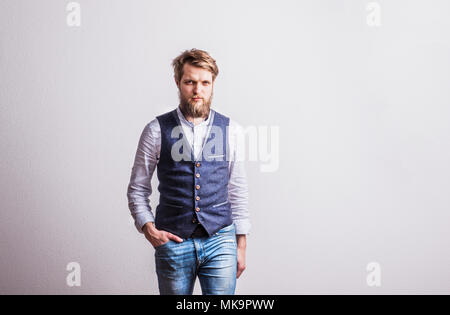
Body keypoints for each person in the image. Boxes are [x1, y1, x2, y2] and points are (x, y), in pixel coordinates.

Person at [127, 48, 251, 295]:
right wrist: (148, 229)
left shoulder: (231, 130)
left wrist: (241, 245)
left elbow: (237, 189)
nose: (197, 90)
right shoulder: (155, 130)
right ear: (178, 82)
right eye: (190, 82)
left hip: (220, 241)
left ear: (213, 84)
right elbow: (137, 188)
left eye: (205, 83)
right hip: (174, 242)